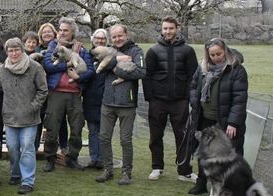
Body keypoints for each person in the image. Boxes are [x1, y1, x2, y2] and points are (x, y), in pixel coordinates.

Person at [0, 38, 48, 194]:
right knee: (13, 148)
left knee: (27, 149)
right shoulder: (3, 69)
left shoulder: (35, 67)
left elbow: (43, 91)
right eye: (10, 50)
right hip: (10, 117)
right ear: (7, 52)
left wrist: (33, 107)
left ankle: (28, 181)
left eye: (17, 49)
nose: (14, 53)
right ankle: (16, 174)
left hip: (29, 118)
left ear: (22, 50)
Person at [187, 38, 248, 195]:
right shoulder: (202, 68)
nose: (216, 57)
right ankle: (201, 183)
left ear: (225, 51)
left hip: (226, 120)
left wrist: (233, 123)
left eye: (219, 54)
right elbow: (194, 87)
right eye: (212, 55)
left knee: (227, 156)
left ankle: (231, 190)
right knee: (203, 152)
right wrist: (195, 103)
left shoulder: (236, 70)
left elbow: (239, 98)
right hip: (204, 117)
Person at [144, 16, 199, 182]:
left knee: (183, 137)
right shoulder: (153, 51)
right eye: (165, 28)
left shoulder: (188, 51)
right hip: (157, 101)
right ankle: (157, 167)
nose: (168, 31)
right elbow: (147, 76)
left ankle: (184, 171)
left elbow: (193, 77)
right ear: (161, 30)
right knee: (155, 136)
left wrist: (190, 99)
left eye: (171, 28)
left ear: (177, 29)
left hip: (180, 101)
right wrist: (150, 99)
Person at [94, 24, 146, 185]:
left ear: (126, 34)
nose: (117, 39)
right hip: (108, 102)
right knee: (103, 137)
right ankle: (108, 170)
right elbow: (98, 66)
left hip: (127, 104)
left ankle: (126, 173)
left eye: (120, 36)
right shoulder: (109, 50)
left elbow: (141, 72)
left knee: (125, 140)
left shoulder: (136, 51)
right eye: (114, 36)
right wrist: (117, 60)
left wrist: (116, 69)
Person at [42, 17, 95, 172]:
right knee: (51, 127)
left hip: (74, 94)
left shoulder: (81, 49)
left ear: (73, 32)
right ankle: (50, 158)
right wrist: (69, 64)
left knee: (77, 128)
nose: (62, 32)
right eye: (60, 30)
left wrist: (79, 78)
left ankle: (72, 158)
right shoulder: (52, 46)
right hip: (56, 93)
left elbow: (90, 70)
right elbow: (48, 66)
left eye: (66, 30)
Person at [34, 22, 68, 153]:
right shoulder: (37, 50)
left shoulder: (60, 47)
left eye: (49, 31)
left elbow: (62, 65)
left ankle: (64, 146)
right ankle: (35, 146)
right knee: (39, 117)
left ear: (54, 33)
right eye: (44, 32)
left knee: (60, 118)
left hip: (56, 88)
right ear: (41, 35)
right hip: (41, 89)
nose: (47, 34)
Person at [81, 29, 109, 170]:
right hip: (90, 99)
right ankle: (94, 158)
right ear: (93, 40)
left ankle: (104, 159)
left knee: (104, 132)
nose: (100, 41)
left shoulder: (110, 55)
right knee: (92, 130)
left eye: (103, 38)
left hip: (106, 99)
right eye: (97, 38)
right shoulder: (87, 55)